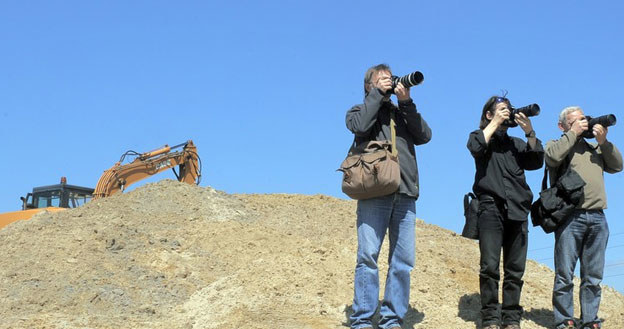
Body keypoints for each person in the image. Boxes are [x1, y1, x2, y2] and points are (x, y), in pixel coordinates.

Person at [345, 64, 431, 329]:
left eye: (390, 78)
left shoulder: (401, 112)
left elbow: (424, 135)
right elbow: (360, 127)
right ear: (369, 85)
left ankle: (392, 319)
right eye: (381, 79)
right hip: (374, 193)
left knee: (402, 261)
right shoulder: (359, 110)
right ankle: (362, 320)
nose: (388, 81)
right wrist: (376, 97)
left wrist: (406, 102)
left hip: (405, 192)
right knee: (368, 256)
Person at [467, 96, 544, 329]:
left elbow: (536, 161)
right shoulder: (479, 136)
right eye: (501, 110)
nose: (506, 113)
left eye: (508, 110)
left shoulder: (517, 143)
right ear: (489, 114)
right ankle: (490, 317)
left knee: (515, 270)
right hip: (490, 208)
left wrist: (529, 132)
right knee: (489, 266)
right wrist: (494, 124)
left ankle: (511, 318)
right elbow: (476, 147)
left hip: (518, 210)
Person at [545, 106, 622, 329]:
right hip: (570, 217)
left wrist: (604, 141)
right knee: (564, 275)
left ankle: (590, 320)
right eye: (576, 121)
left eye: (584, 120)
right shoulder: (556, 144)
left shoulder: (594, 148)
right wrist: (573, 133)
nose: (583, 124)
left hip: (598, 217)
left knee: (593, 276)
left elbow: (618, 166)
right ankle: (564, 320)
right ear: (563, 126)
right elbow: (551, 157)